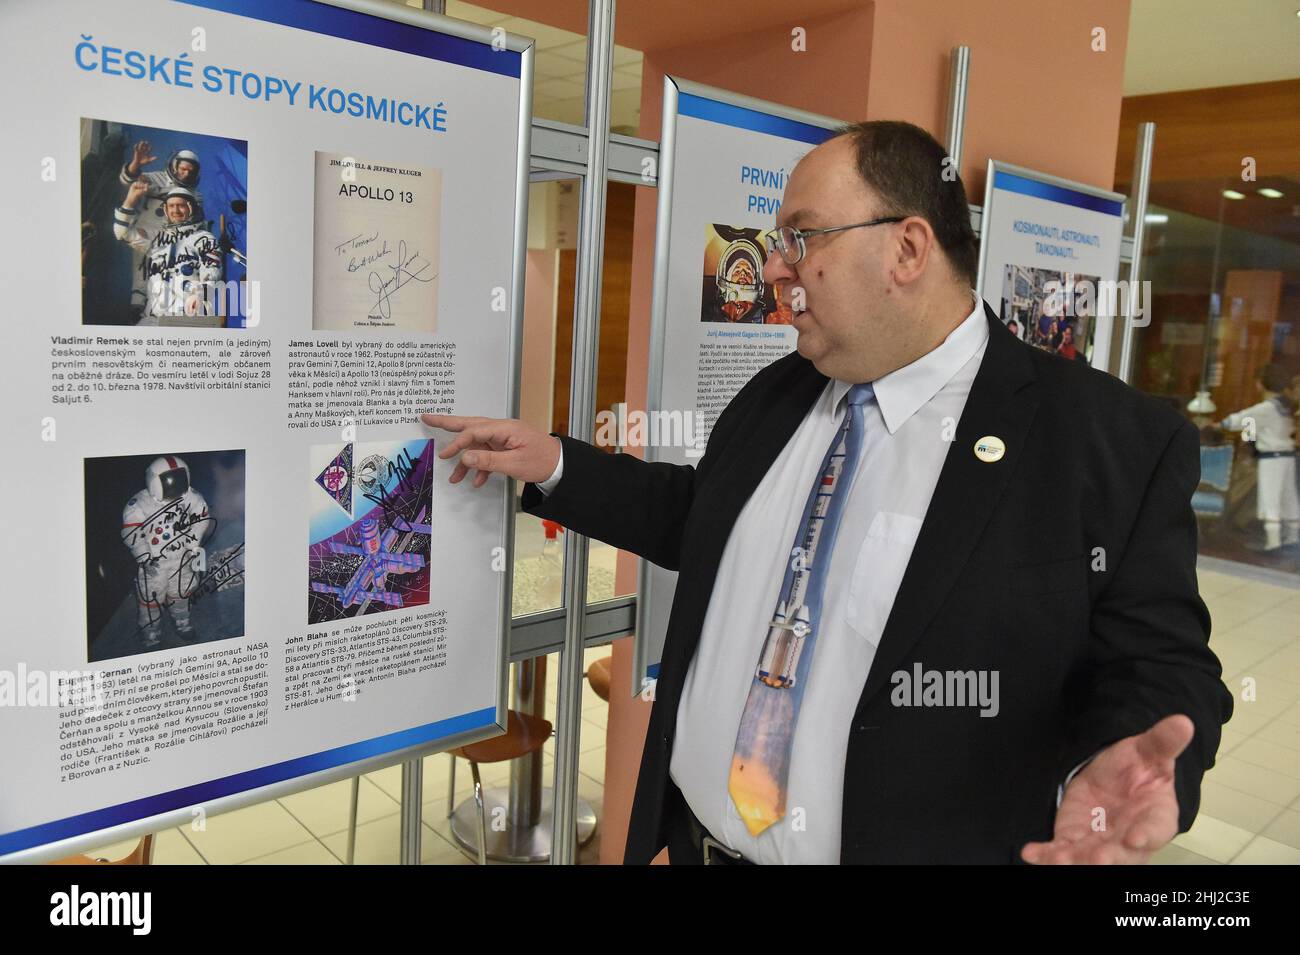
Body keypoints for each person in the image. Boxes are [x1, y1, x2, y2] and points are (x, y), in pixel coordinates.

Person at [422, 120, 1231, 864]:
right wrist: (555, 463)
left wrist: (1112, 762)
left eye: (801, 236)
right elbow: (705, 520)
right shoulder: (780, 391)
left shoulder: (1106, 443)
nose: (774, 264)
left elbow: (1161, 665)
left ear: (907, 249)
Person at [120, 456, 212, 648]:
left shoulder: (189, 496)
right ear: (154, 482)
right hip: (155, 562)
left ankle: (182, 622)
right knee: (151, 600)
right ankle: (151, 633)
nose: (175, 489)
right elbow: (132, 531)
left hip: (182, 558)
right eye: (169, 483)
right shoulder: (140, 504)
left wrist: (194, 545)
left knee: (182, 592)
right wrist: (144, 556)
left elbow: (202, 515)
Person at [114, 182, 222, 325]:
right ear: (165, 210)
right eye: (171, 206)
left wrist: (201, 294)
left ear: (191, 208)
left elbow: (212, 270)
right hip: (153, 319)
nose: (175, 210)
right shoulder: (156, 239)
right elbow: (122, 233)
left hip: (187, 317)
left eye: (181, 205)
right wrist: (130, 200)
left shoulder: (204, 238)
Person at [1219, 364, 1299, 551]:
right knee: (1288, 496)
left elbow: (1239, 420)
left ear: (1260, 384)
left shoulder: (1266, 407)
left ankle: (1273, 542)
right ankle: (1293, 536)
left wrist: (1221, 424)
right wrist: (1250, 436)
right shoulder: (1286, 406)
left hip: (1272, 459)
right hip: (1288, 457)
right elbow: (1252, 428)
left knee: (1270, 498)